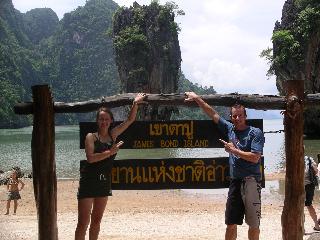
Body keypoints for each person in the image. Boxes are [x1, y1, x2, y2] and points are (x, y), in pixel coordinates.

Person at [184, 92, 264, 240]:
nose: (237, 118)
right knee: (231, 223)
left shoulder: (255, 132)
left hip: (252, 182)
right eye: (234, 116)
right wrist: (197, 98)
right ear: (231, 117)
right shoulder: (229, 129)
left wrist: (233, 150)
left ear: (245, 116)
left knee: (254, 224)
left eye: (240, 115)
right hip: (235, 182)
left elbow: (255, 158)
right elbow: (212, 113)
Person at [75, 93, 147, 240]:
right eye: (101, 119)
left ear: (111, 121)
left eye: (107, 119)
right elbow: (90, 158)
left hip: (103, 182)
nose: (104, 122)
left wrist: (135, 103)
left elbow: (130, 120)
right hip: (88, 182)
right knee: (83, 223)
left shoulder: (113, 135)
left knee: (96, 221)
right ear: (97, 121)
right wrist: (111, 152)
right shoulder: (91, 137)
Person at [304, 155, 320, 231]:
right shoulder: (309, 158)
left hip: (299, 186)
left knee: (299, 206)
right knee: (309, 205)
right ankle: (317, 225)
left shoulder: (293, 159)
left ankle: (302, 228)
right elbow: (316, 170)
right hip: (310, 185)